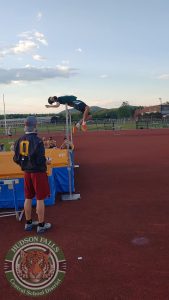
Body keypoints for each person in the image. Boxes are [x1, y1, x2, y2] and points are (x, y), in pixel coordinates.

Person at [13, 116, 52, 234]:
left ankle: (28, 223)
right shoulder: (38, 140)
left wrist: (25, 164)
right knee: (40, 199)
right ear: (34, 126)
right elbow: (40, 160)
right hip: (38, 173)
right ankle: (41, 225)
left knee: (28, 197)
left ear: (25, 126)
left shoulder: (19, 140)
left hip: (27, 172)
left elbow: (16, 158)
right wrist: (47, 161)